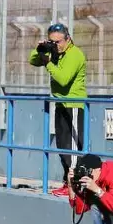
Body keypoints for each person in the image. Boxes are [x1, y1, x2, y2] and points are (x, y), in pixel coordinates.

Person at [29, 22, 87, 195]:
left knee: (73, 148)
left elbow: (63, 78)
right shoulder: (55, 53)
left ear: (68, 39)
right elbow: (32, 61)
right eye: (52, 41)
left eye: (59, 42)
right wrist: (40, 49)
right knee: (62, 145)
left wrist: (47, 62)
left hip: (74, 105)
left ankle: (76, 186)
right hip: (60, 104)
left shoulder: (74, 54)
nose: (57, 45)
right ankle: (67, 182)